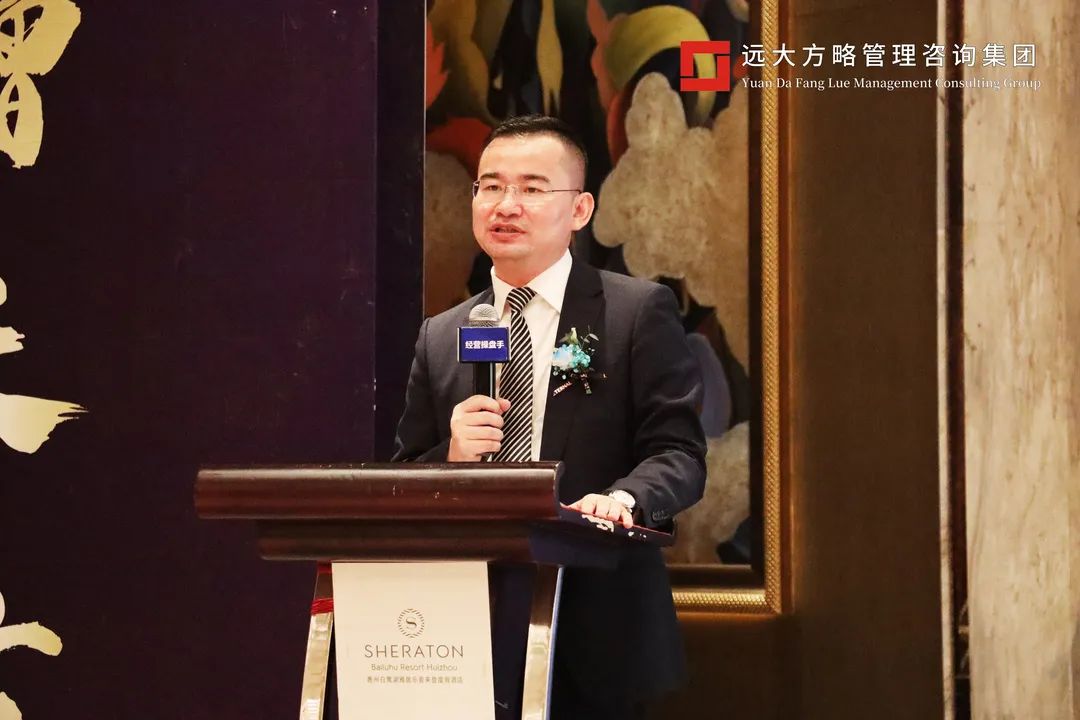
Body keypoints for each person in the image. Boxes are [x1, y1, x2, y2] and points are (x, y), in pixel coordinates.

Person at [392, 115, 707, 720]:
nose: (506, 205)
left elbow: (679, 454)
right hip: (462, 630)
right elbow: (405, 475)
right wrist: (451, 455)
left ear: (580, 209)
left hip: (594, 625)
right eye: (491, 186)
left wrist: (623, 499)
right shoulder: (444, 333)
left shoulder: (632, 312)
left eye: (532, 188)